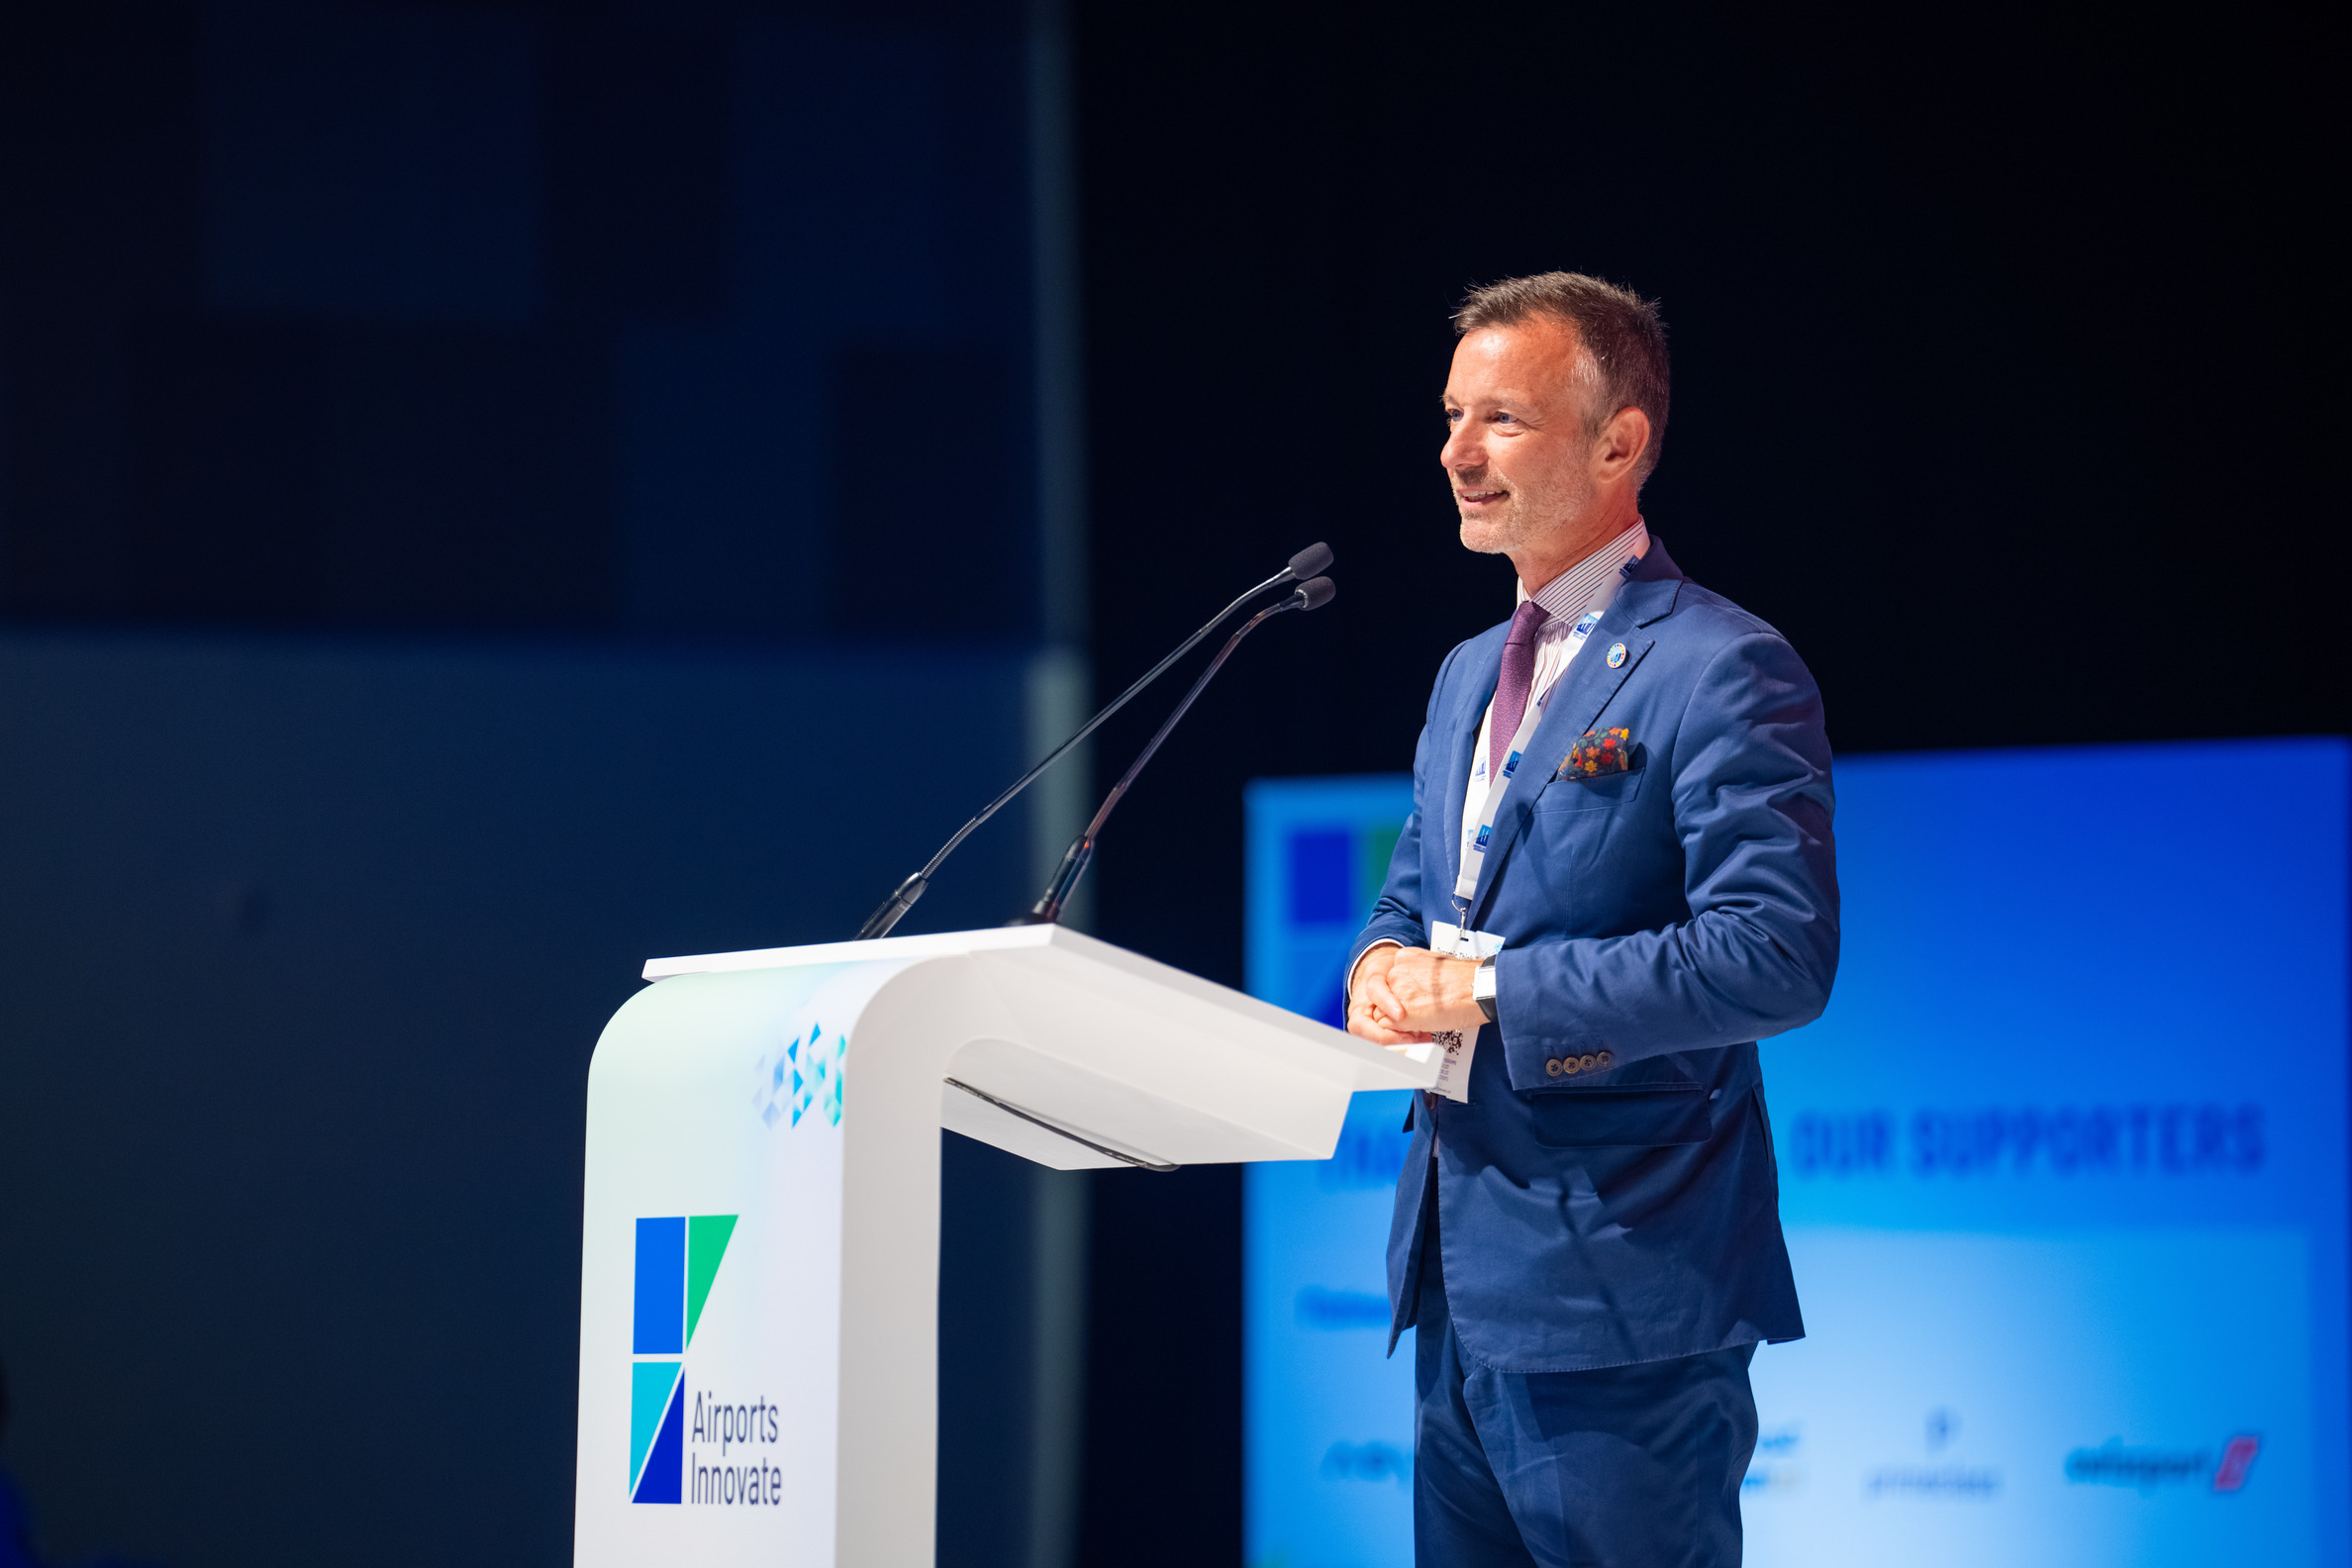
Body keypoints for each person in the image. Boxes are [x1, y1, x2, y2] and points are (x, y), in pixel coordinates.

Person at [1345, 272, 1838, 1568]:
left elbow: (1774, 957)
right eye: (1452, 416)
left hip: (1627, 1292)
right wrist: (1381, 962)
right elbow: (1420, 892)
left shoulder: (1721, 665)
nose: (1456, 452)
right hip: (1458, 1282)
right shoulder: (1466, 673)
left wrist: (1490, 990)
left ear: (1619, 443)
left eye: (1501, 419)